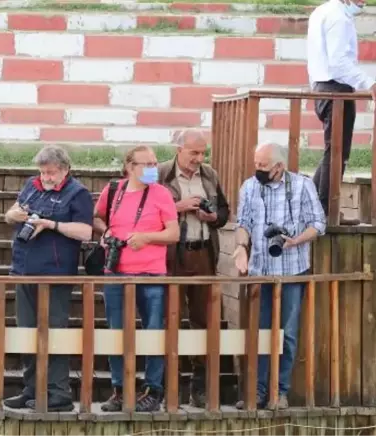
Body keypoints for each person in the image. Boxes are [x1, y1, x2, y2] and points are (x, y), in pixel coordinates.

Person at [233, 143, 326, 410]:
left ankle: (280, 392)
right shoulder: (250, 186)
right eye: (256, 163)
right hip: (260, 271)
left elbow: (318, 224)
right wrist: (241, 246)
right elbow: (244, 223)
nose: (257, 169)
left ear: (279, 166)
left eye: (263, 165)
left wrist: (295, 240)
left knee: (288, 334)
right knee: (260, 333)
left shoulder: (302, 185)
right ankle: (258, 392)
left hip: (293, 270)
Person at [2, 145, 93, 413]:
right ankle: (31, 389)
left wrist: (51, 224)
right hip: (23, 271)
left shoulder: (78, 194)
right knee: (27, 333)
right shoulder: (31, 185)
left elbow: (85, 232)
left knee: (53, 334)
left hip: (55, 275)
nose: (46, 177)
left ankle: (58, 392)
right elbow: (9, 214)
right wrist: (13, 215)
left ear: (65, 169)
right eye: (42, 172)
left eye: (51, 173)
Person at [94, 145, 180, 412]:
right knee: (116, 330)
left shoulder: (161, 193)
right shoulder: (113, 190)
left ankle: (153, 390)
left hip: (151, 273)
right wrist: (106, 232)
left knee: (153, 330)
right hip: (116, 271)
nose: (153, 169)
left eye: (155, 164)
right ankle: (120, 389)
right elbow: (97, 217)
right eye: (147, 164)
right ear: (130, 167)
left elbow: (174, 234)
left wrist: (147, 238)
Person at [158, 129, 230, 408]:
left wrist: (212, 217)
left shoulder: (210, 174)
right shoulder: (160, 172)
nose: (199, 158)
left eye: (203, 153)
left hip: (203, 254)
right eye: (194, 153)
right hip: (171, 256)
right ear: (179, 150)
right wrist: (177, 206)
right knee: (169, 318)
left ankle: (199, 387)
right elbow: (145, 209)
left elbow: (224, 212)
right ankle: (168, 385)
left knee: (203, 319)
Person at [307, 0, 375, 225]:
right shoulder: (338, 17)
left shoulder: (323, 11)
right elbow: (339, 64)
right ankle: (326, 210)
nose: (362, 2)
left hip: (322, 86)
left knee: (333, 151)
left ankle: (314, 205)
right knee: (337, 152)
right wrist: (369, 83)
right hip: (335, 87)